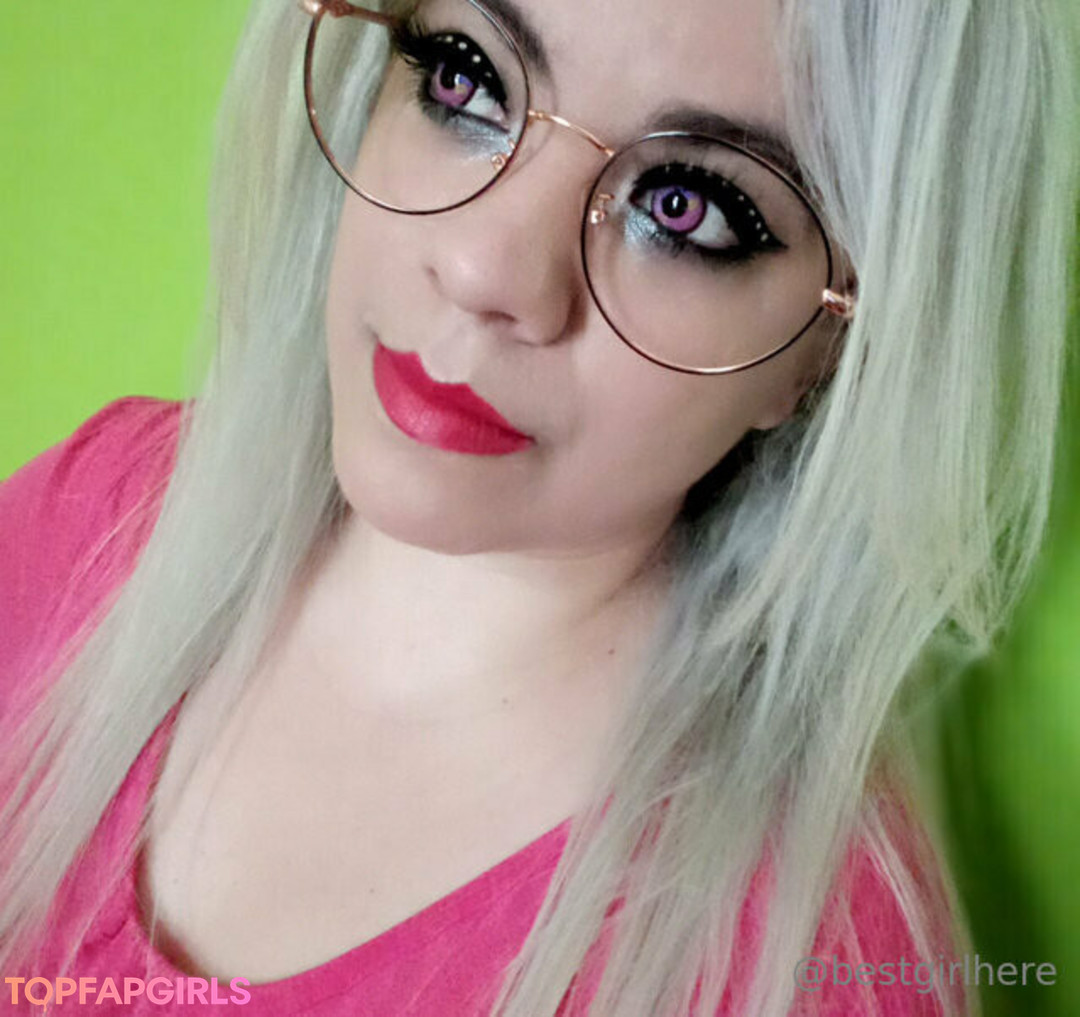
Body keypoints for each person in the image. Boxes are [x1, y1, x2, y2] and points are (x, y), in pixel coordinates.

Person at [0, 0, 1076, 1014]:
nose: (484, 266)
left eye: (684, 208)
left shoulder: (798, 964)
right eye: (465, 79)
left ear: (829, 350)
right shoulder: (90, 515)